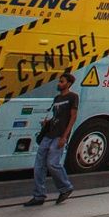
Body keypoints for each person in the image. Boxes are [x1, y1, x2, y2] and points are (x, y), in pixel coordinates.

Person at [25, 72, 78, 206]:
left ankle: (66, 187)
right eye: (59, 81)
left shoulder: (73, 97)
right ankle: (39, 195)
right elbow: (56, 116)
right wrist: (47, 122)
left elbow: (72, 117)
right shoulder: (57, 98)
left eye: (62, 81)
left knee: (52, 164)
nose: (59, 84)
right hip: (49, 134)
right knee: (39, 166)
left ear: (68, 84)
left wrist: (65, 136)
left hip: (60, 135)